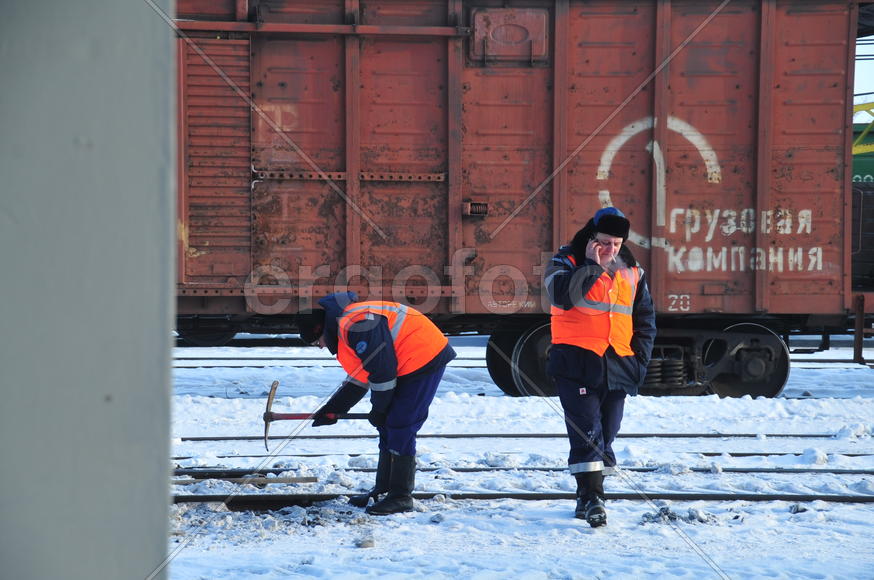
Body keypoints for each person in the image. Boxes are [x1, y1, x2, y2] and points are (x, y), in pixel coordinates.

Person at [544, 207, 656, 527]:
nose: (610, 249)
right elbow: (562, 297)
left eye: (616, 244)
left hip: (618, 363)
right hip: (576, 362)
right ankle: (592, 498)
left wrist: (640, 361)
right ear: (591, 237)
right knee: (587, 430)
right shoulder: (564, 263)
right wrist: (592, 267)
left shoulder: (632, 270)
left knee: (607, 432)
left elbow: (645, 320)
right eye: (604, 242)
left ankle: (591, 493)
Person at [296, 292, 456, 515]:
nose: (321, 347)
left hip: (424, 357)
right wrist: (333, 410)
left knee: (400, 423)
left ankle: (401, 496)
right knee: (386, 424)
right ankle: (384, 489)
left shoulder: (357, 324)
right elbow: (360, 378)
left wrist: (379, 409)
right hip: (407, 360)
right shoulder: (347, 327)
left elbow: (383, 373)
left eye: (316, 343)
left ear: (319, 330)